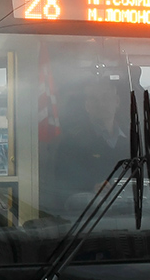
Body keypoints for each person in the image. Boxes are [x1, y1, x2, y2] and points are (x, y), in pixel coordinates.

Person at [51, 71, 130, 212]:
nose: (100, 104)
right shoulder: (72, 142)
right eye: (94, 99)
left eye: (106, 98)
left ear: (117, 102)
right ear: (87, 105)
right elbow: (62, 183)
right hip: (90, 218)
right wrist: (92, 188)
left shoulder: (134, 138)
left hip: (134, 213)